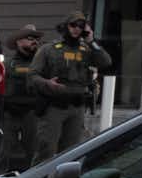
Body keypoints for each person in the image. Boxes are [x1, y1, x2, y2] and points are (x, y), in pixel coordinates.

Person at [34, 10, 114, 156]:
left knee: (70, 153)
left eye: (81, 25)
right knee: (46, 149)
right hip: (54, 106)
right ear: (65, 27)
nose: (77, 28)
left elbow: (106, 62)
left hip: (77, 107)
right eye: (73, 25)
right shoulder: (49, 49)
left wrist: (91, 40)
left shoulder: (87, 50)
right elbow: (33, 75)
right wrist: (47, 83)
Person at [0, 24, 48, 172]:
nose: (34, 41)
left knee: (34, 152)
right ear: (18, 42)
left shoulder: (44, 64)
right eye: (30, 38)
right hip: (10, 113)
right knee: (3, 152)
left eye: (36, 39)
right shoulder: (7, 64)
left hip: (33, 113)